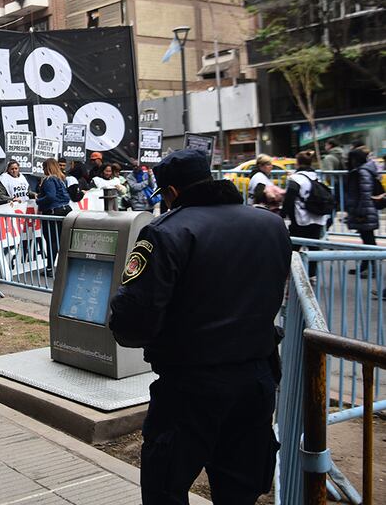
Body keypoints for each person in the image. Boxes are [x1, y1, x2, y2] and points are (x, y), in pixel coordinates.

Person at [108, 149, 290, 504]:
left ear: (172, 192)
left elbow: (133, 318)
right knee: (240, 489)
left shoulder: (165, 232)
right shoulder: (269, 224)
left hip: (190, 386)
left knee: (165, 487)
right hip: (256, 379)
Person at [282, 151, 330, 276]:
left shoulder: (296, 178)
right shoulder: (316, 176)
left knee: (293, 248)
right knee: (313, 247)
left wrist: (282, 215)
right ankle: (312, 274)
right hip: (318, 218)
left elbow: (289, 199)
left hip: (301, 219)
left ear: (297, 163)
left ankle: (289, 274)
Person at [346, 146, 382, 268]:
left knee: (368, 240)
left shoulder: (362, 171)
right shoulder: (364, 170)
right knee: (367, 239)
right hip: (365, 209)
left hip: (364, 211)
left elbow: (365, 193)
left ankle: (369, 267)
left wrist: (360, 212)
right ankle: (366, 266)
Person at [37, 158, 72, 276]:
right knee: (61, 240)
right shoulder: (62, 179)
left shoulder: (49, 180)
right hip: (65, 210)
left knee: (51, 240)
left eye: (43, 168)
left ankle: (49, 268)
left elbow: (51, 196)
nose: (43, 170)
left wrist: (38, 200)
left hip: (53, 211)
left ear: (47, 168)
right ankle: (62, 267)